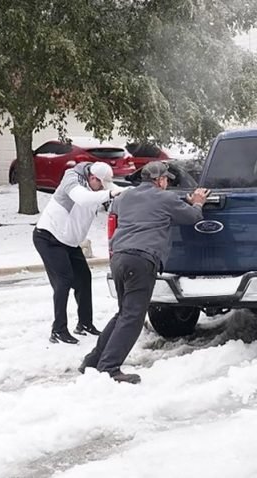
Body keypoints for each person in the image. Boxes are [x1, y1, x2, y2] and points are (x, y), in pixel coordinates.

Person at [79, 161, 210, 383]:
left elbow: (145, 205)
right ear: (159, 180)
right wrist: (196, 203)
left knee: (123, 313)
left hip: (119, 258)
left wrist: (180, 201)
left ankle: (92, 361)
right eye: (166, 179)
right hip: (141, 260)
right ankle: (109, 368)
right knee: (133, 318)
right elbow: (193, 218)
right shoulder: (166, 198)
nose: (167, 182)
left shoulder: (124, 197)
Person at [33, 161, 124, 345]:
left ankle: (84, 324)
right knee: (63, 281)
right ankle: (58, 330)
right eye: (100, 184)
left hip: (69, 242)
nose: (102, 189)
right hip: (49, 238)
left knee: (84, 278)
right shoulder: (72, 179)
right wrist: (108, 194)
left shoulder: (97, 183)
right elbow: (82, 198)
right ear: (92, 178)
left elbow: (113, 190)